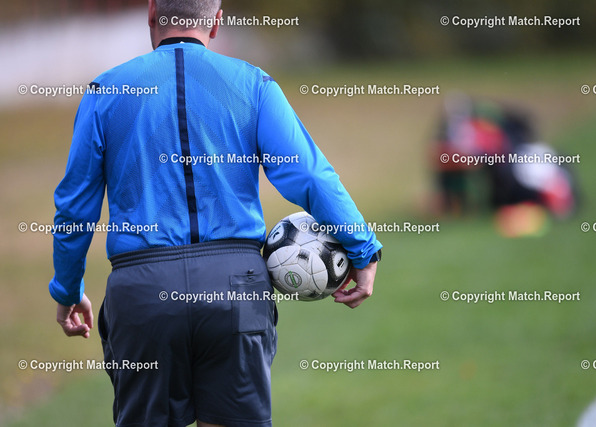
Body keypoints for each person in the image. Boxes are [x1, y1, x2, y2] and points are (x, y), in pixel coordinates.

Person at [49, 1, 382, 426]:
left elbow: (74, 208)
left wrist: (67, 288)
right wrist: (362, 249)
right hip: (236, 288)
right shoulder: (253, 84)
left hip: (144, 291)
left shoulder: (106, 90)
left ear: (151, 12)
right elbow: (310, 177)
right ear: (217, 21)